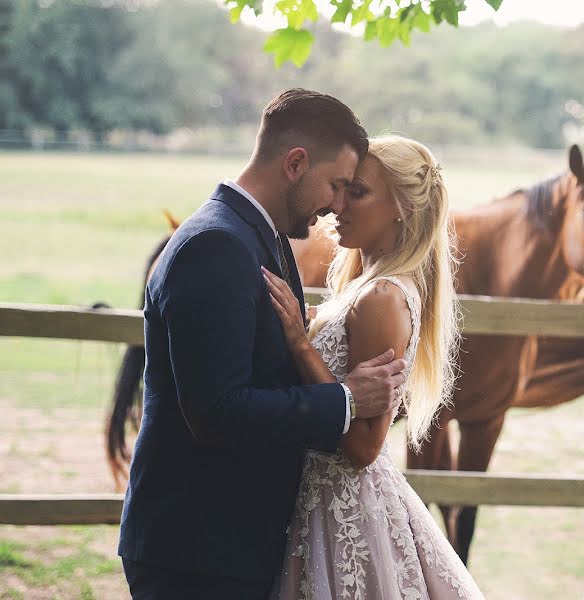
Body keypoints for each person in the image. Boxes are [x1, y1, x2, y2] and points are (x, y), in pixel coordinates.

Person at [118, 89, 408, 599]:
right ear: (296, 163)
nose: (336, 206)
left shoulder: (260, 237)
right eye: (336, 185)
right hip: (198, 553)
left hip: (231, 544)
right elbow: (217, 411)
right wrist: (345, 401)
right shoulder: (217, 245)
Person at [264, 135, 484, 599]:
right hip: (317, 503)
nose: (337, 205)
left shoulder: (382, 298)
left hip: (344, 512)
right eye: (341, 188)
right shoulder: (364, 286)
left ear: (402, 208)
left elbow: (364, 446)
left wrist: (301, 346)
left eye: (357, 193)